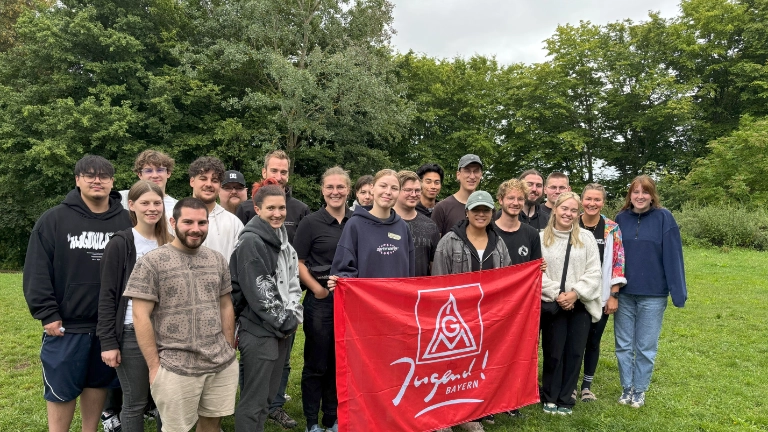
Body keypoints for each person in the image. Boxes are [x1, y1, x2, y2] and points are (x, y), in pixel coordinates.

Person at [23, 155, 131, 432]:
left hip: (108, 326)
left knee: (97, 383)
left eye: (104, 176)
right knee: (61, 389)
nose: (97, 180)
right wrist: (47, 313)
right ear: (77, 180)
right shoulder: (54, 219)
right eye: (89, 175)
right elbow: (36, 270)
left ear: (112, 182)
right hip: (66, 326)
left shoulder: (126, 220)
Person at [125, 197, 238, 432]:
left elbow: (225, 304)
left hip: (219, 363)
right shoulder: (152, 262)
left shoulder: (217, 260)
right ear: (172, 222)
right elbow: (140, 315)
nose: (195, 229)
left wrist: (228, 348)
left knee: (212, 424)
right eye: (188, 222)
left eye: (201, 223)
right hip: (175, 367)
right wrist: (155, 367)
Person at [432, 190, 512, 432]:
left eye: (485, 210)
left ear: (492, 213)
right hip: (455, 317)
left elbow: (508, 278)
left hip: (486, 317)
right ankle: (443, 415)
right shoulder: (449, 241)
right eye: (476, 209)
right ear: (467, 212)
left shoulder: (498, 243)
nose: (481, 214)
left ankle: (468, 415)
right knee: (448, 366)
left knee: (474, 367)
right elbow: (438, 280)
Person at [97, 180, 173, 432]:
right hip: (131, 332)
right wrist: (108, 341)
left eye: (156, 202)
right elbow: (108, 295)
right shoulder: (121, 243)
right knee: (135, 402)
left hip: (168, 333)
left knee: (167, 401)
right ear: (132, 205)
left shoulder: (171, 243)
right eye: (145, 203)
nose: (152, 208)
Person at [230, 179, 303, 432]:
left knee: (267, 399)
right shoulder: (252, 241)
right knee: (254, 401)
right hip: (259, 329)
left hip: (281, 328)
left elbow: (292, 280)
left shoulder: (281, 239)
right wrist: (286, 322)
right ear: (257, 209)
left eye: (281, 208)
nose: (277, 213)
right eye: (270, 208)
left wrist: (293, 315)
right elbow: (260, 291)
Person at [614, 175, 686, 408]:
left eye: (645, 192)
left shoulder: (664, 218)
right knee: (623, 344)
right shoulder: (620, 219)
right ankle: (627, 387)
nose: (640, 196)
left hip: (653, 294)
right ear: (630, 195)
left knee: (645, 346)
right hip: (624, 293)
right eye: (635, 192)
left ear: (652, 195)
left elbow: (673, 256)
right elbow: (612, 257)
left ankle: (640, 390)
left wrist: (678, 292)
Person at [293, 167, 353, 432]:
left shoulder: (357, 222)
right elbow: (299, 262)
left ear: (348, 190)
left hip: (350, 304)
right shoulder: (310, 222)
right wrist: (317, 289)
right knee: (317, 362)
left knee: (339, 362)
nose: (335, 192)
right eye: (330, 187)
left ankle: (332, 417)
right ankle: (311, 422)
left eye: (340, 187)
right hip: (320, 302)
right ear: (322, 190)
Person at [539, 192, 602, 416]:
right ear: (555, 209)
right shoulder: (541, 238)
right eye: (564, 208)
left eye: (573, 210)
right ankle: (550, 396)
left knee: (575, 352)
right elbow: (537, 273)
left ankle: (566, 398)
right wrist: (558, 294)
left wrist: (575, 293)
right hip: (554, 304)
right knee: (554, 351)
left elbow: (595, 272)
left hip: (580, 304)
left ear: (578, 213)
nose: (568, 213)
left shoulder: (586, 239)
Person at [576, 183, 627, 402]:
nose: (592, 203)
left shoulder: (611, 228)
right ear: (581, 200)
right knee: (574, 341)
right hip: (575, 293)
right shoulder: (572, 223)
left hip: (601, 294)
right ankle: (569, 385)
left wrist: (613, 295)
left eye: (597, 200)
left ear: (603, 202)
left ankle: (586, 387)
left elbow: (618, 261)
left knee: (593, 341)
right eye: (588, 199)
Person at [329, 169, 415, 280]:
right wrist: (341, 279)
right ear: (372, 188)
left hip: (397, 297)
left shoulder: (403, 227)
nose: (388, 192)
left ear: (399, 193)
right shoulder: (355, 225)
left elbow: (410, 272)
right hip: (367, 297)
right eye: (383, 186)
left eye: (394, 188)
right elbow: (343, 269)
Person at [236, 150, 310, 244]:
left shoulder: (301, 210)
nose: (278, 177)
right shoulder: (245, 209)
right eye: (274, 171)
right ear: (264, 172)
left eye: (283, 172)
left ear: (288, 175)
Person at [189, 156, 244, 263]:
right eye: (203, 178)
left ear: (219, 186)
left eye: (214, 180)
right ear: (192, 181)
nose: (209, 184)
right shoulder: (174, 217)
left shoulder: (234, 223)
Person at [394, 170, 441, 277]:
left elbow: (435, 266)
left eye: (417, 190)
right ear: (396, 190)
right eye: (408, 190)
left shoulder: (431, 226)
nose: (413, 194)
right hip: (390, 290)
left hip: (421, 290)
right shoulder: (383, 222)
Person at [119, 149, 178, 227]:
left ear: (168, 173)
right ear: (140, 175)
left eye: (160, 170)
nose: (155, 175)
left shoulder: (178, 206)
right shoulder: (122, 198)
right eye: (148, 171)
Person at [492, 179, 543, 265]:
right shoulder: (488, 231)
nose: (515, 203)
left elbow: (535, 268)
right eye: (511, 198)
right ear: (501, 200)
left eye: (520, 199)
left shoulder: (532, 234)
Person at [432, 154, 483, 236]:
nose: (472, 176)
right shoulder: (442, 208)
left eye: (476, 171)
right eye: (467, 171)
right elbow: (435, 245)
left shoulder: (487, 209)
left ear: (481, 175)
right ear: (458, 175)